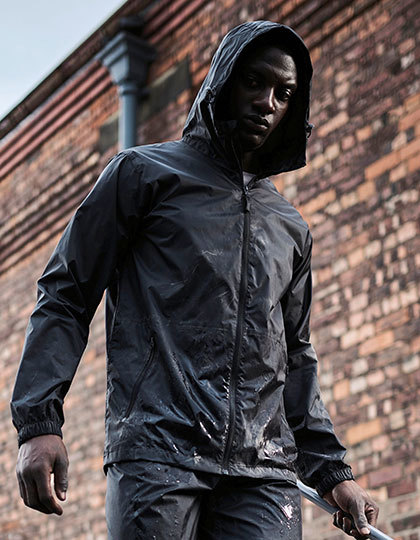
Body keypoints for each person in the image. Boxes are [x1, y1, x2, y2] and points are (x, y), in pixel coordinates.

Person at [11, 20, 379, 539]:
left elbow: (294, 356)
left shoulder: (290, 228)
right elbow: (66, 294)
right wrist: (39, 422)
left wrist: (333, 472)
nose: (267, 103)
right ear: (224, 80)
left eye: (284, 93)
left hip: (263, 473)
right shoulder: (142, 175)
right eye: (254, 82)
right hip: (158, 455)